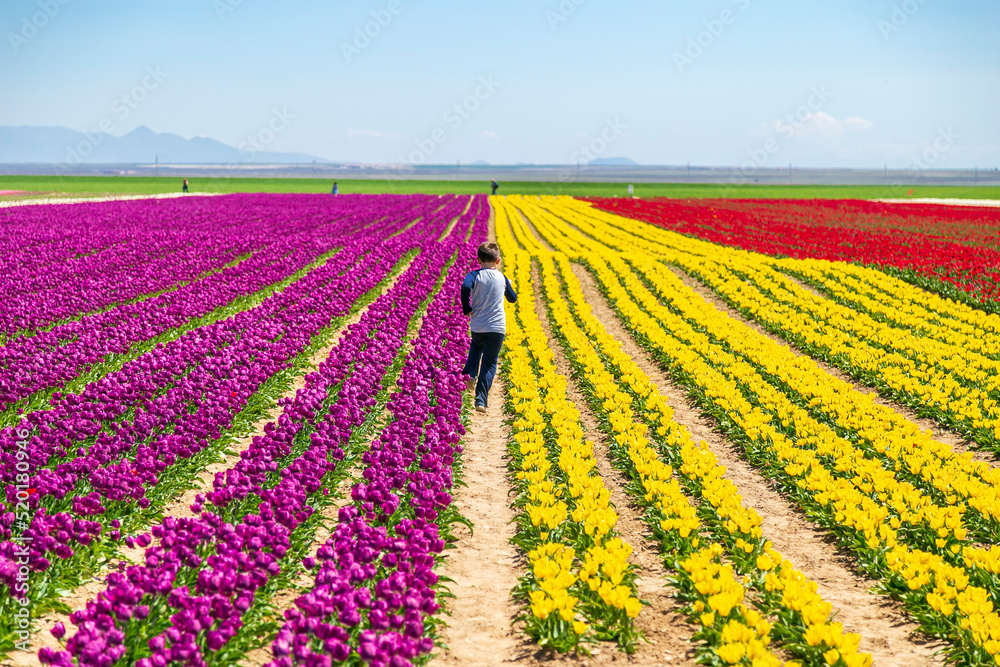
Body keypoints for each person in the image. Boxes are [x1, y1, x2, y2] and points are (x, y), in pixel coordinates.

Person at [461, 242, 517, 413]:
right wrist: (508, 284)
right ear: (498, 260)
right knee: (490, 363)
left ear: (478, 259)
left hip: (479, 324)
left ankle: (470, 374)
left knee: (476, 346)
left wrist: (467, 309)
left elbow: (464, 287)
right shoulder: (502, 277)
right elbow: (513, 299)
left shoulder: (473, 275)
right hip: (497, 327)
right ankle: (480, 399)